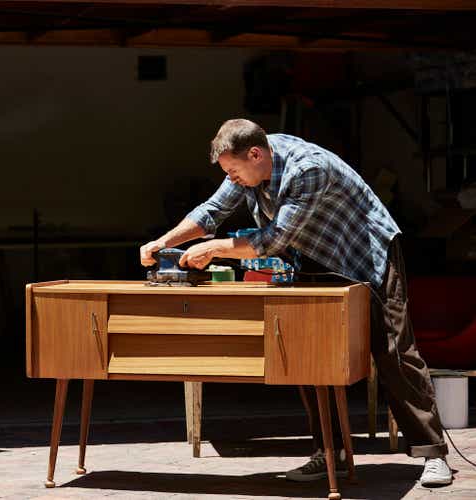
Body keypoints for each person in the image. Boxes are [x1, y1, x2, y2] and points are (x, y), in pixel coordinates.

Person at [139, 119, 453, 487]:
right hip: (315, 258)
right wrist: (163, 242)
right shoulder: (248, 163)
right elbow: (212, 211)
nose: (232, 178)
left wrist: (215, 249)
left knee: (393, 354)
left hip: (366, 256)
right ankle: (329, 453)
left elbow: (272, 239)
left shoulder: (307, 170)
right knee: (311, 357)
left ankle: (433, 454)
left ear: (255, 154)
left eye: (234, 171)